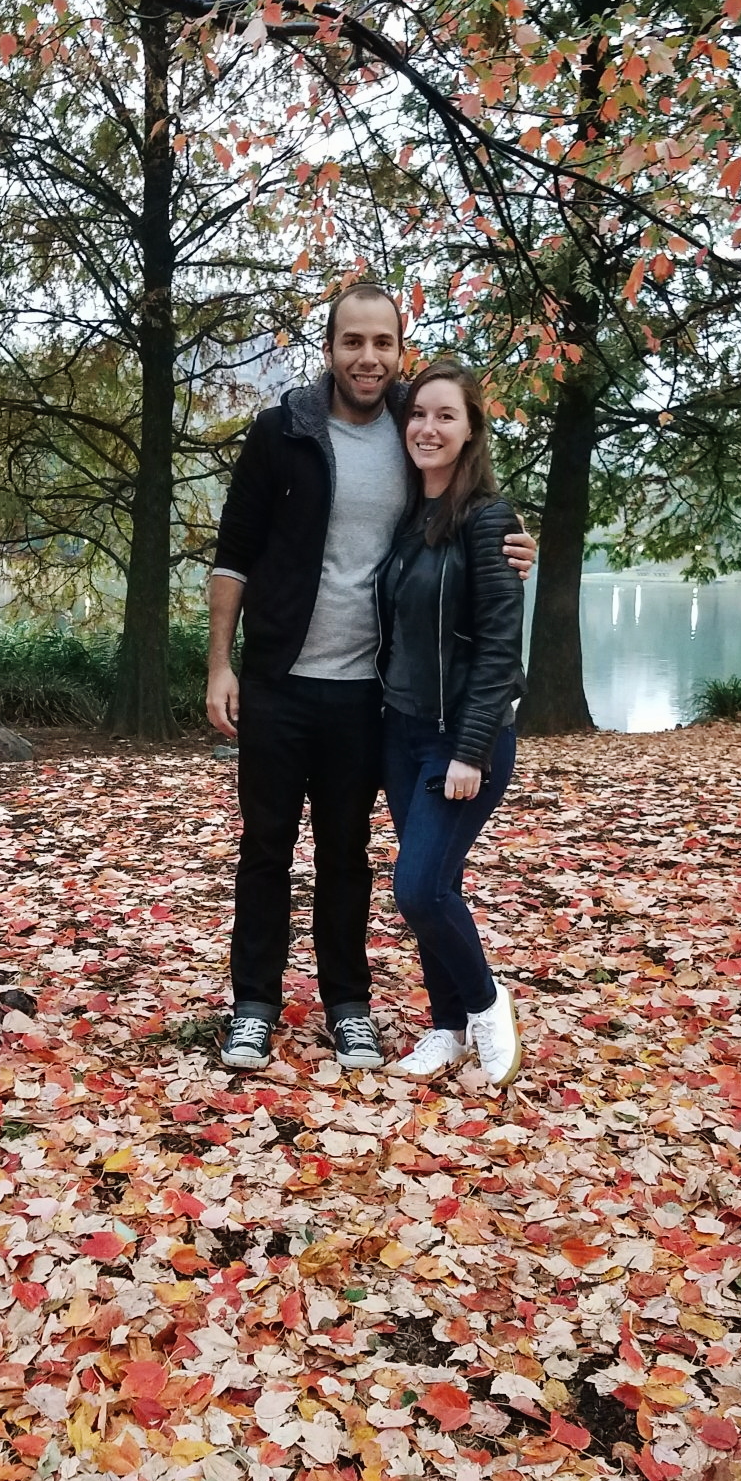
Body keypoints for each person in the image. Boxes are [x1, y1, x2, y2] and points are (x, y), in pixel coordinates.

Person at [206, 284, 533, 1071]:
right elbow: (232, 554)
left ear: (399, 350)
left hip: (365, 695)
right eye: (352, 342)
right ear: (330, 348)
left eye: (382, 343)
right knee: (266, 846)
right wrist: (219, 662)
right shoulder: (282, 431)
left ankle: (348, 1004)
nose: (368, 358)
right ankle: (253, 1005)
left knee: (347, 853)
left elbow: (471, 524)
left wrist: (521, 550)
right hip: (278, 681)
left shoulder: (411, 429)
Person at [377, 359, 525, 1086]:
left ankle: (488, 1007)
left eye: (446, 416)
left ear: (470, 433)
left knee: (420, 889)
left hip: (463, 739)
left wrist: (469, 750)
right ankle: (446, 1028)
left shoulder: (490, 519)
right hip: (400, 734)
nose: (428, 428)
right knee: (435, 882)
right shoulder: (409, 519)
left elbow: (500, 646)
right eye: (419, 415)